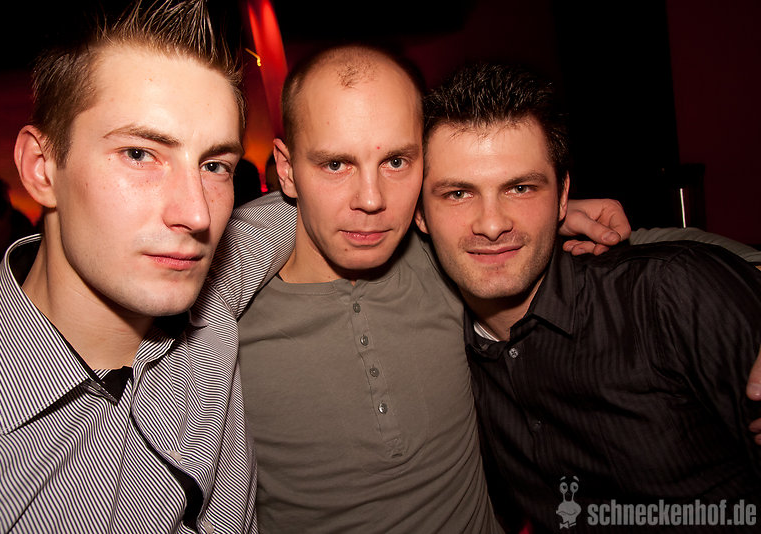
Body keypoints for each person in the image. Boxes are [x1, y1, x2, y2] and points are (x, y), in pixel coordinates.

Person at [235, 44, 652, 533]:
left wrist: (549, 215)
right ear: (286, 169)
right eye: (335, 165)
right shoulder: (220, 326)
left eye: (396, 161)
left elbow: (636, 255)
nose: (371, 200)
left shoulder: (446, 264)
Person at [0, 1, 296, 532]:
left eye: (214, 165)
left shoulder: (214, 292)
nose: (197, 214)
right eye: (140, 154)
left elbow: (332, 204)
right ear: (42, 169)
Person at [415, 62, 761, 533]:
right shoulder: (434, 345)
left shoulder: (668, 297)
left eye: (521, 188)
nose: (492, 224)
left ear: (562, 197)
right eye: (458, 193)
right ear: (420, 213)